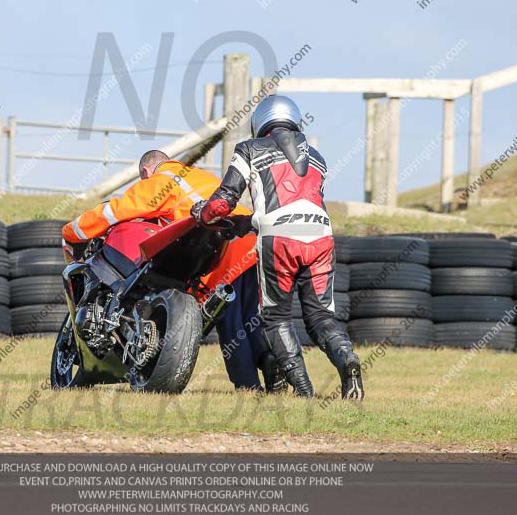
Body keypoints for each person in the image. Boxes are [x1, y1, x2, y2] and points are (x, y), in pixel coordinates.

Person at [61, 150, 285, 391]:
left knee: (230, 321)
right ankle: (270, 360)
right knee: (250, 316)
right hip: (252, 241)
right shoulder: (200, 176)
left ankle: (248, 386)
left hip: (227, 247)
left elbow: (117, 211)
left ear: (146, 171)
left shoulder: (162, 181)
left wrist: (72, 231)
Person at [191, 95, 364, 400]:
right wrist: (245, 225)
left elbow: (223, 202)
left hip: (278, 240)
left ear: (260, 122)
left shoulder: (248, 149)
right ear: (294, 119)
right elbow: (298, 203)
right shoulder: (318, 158)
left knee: (276, 318)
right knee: (322, 318)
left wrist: (202, 213)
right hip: (322, 235)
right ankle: (348, 362)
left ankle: (303, 390)